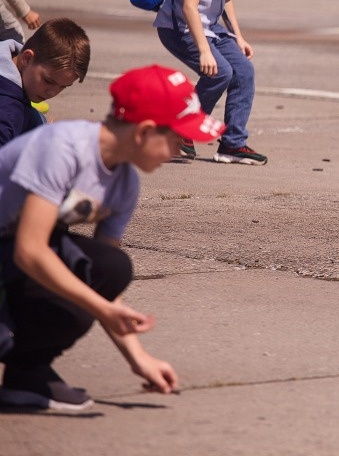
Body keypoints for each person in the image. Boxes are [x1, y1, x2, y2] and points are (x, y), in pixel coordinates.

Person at [0, 64, 225, 411]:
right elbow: (30, 251)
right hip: (13, 252)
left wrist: (139, 358)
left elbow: (103, 286)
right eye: (178, 137)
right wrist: (100, 307)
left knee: (110, 267)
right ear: (146, 131)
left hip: (8, 253)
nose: (181, 149)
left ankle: (26, 373)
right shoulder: (63, 148)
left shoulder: (123, 184)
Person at [154, 0, 271, 165]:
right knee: (220, 72)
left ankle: (233, 143)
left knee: (244, 71)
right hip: (179, 27)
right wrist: (205, 50)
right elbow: (188, 6)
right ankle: (181, 132)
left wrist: (238, 37)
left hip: (210, 27)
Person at [0, 18, 89, 146]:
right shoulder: (8, 113)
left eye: (63, 86)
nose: (52, 92)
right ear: (27, 58)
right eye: (48, 81)